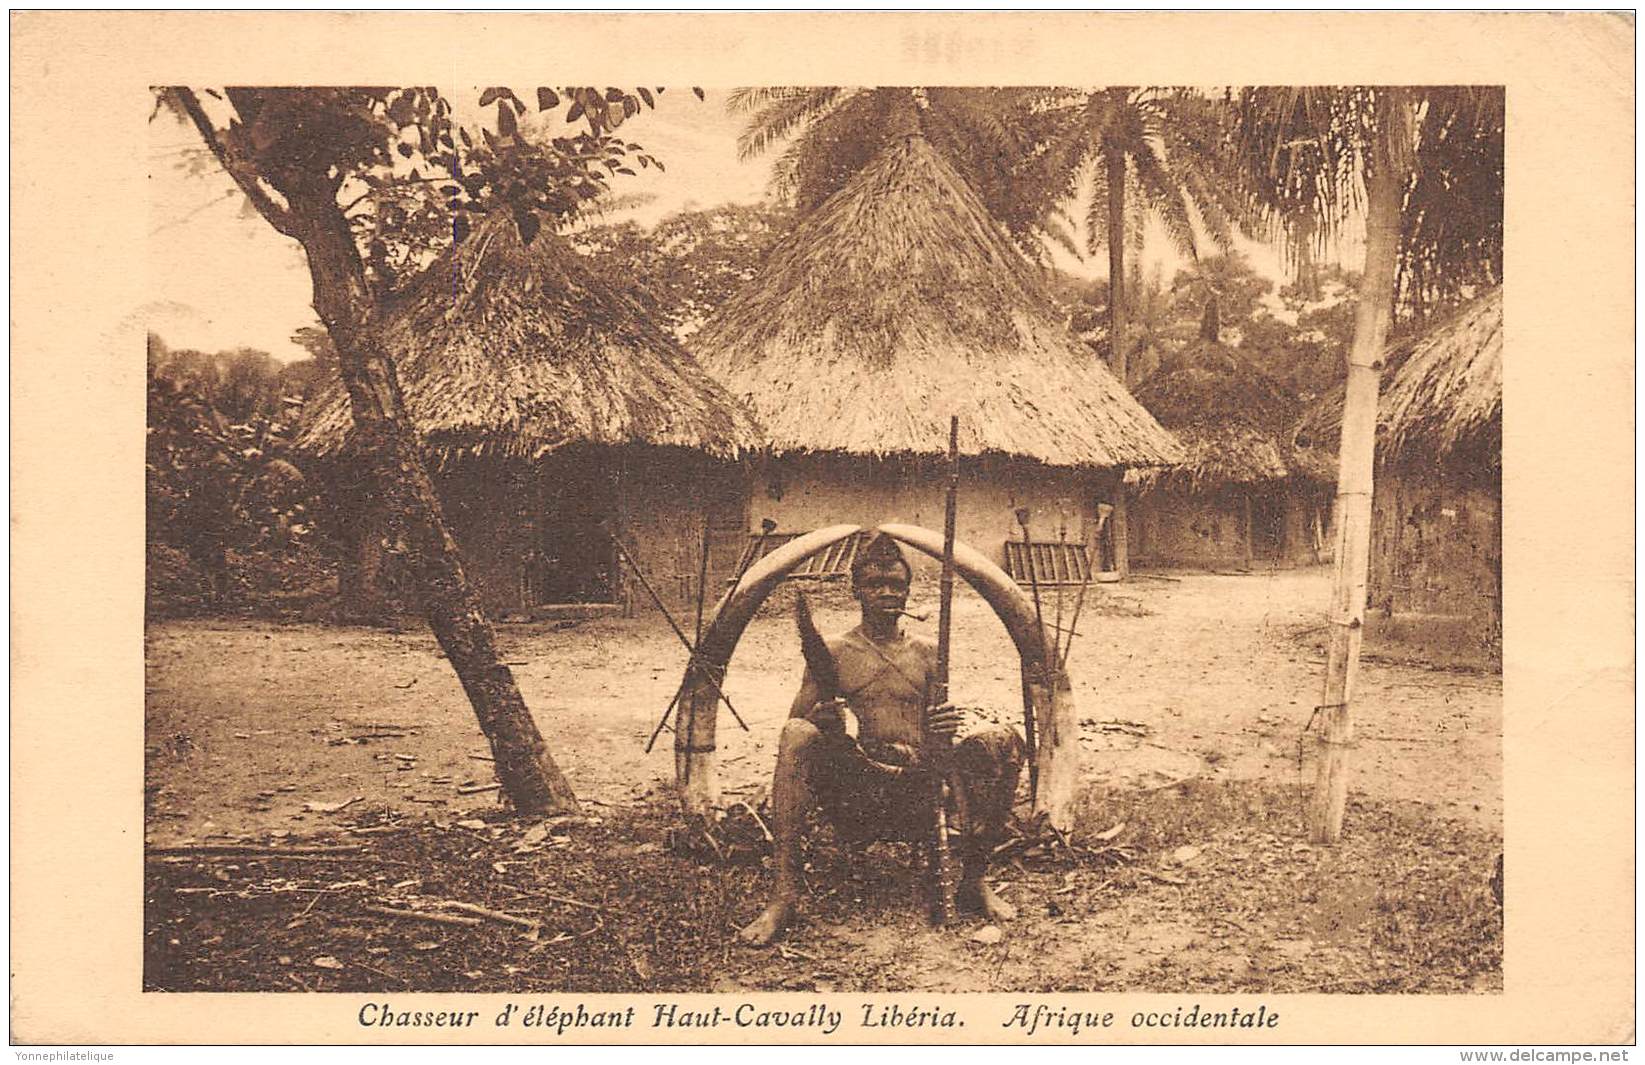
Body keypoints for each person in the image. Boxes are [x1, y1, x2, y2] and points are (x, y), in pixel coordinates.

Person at [738, 532, 1025, 946]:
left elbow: (936, 737)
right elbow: (795, 725)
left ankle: (974, 880)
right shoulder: (835, 651)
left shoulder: (928, 651)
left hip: (918, 782)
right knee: (796, 734)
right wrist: (822, 719)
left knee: (1004, 739)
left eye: (896, 585)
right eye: (875, 584)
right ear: (857, 591)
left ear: (908, 591)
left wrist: (945, 725)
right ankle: (783, 895)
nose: (887, 593)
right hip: (857, 785)